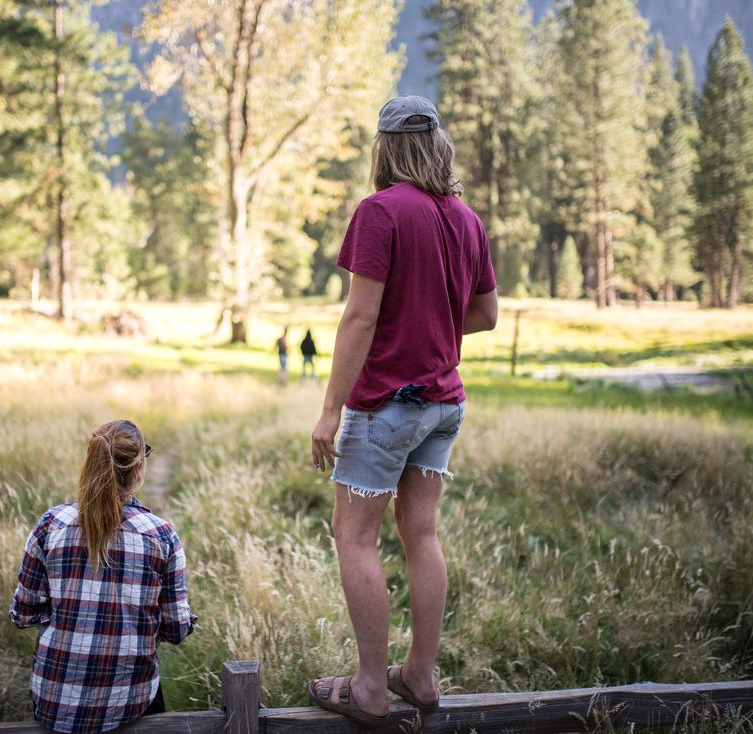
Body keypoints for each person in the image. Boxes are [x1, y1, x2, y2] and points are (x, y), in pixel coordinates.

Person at [308, 95, 498, 726]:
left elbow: (360, 316)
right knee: (422, 535)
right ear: (439, 144)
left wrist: (329, 411)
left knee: (354, 536)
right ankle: (419, 674)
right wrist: (431, 329)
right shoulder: (466, 219)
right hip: (444, 404)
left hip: (386, 405)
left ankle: (369, 687)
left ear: (385, 149)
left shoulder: (380, 211)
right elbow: (485, 315)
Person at [10, 419, 196, 733]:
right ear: (138, 469)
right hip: (129, 704)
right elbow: (176, 629)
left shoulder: (50, 525)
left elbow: (23, 615)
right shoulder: (161, 536)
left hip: (55, 701)